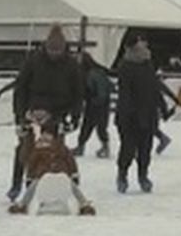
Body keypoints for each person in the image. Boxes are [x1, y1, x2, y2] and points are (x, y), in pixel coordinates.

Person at [10, 25, 84, 201]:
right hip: (32, 112)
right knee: (25, 149)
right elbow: (20, 88)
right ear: (46, 46)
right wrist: (20, 115)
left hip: (58, 113)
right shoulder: (33, 60)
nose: (54, 54)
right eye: (51, 50)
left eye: (58, 50)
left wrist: (74, 117)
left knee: (55, 151)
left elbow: (78, 94)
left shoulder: (72, 65)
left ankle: (57, 183)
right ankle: (17, 183)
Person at [8, 111, 96, 216]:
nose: (46, 138)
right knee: (34, 185)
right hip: (42, 175)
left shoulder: (61, 148)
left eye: (49, 136)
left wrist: (74, 174)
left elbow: (70, 161)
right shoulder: (37, 150)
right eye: (44, 135)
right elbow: (32, 163)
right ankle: (23, 204)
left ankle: (84, 204)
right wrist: (30, 177)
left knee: (72, 186)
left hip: (61, 174)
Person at [115, 35, 162, 193]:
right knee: (128, 148)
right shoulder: (126, 66)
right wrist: (127, 113)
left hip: (148, 113)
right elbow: (125, 93)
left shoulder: (148, 64)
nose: (144, 48)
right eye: (140, 45)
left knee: (145, 149)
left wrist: (161, 105)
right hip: (129, 116)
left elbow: (155, 86)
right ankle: (122, 174)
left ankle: (143, 175)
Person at [74, 54, 113, 159]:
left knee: (99, 127)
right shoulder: (88, 73)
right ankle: (81, 146)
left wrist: (96, 101)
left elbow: (102, 92)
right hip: (94, 103)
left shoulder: (94, 73)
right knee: (88, 126)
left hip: (99, 104)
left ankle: (105, 148)